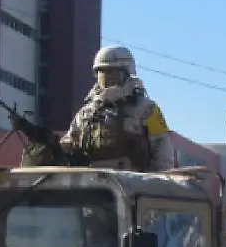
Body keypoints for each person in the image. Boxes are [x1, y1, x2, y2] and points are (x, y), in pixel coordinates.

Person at [59, 44, 177, 172]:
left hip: (132, 181)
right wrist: (53, 146)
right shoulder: (85, 113)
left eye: (113, 72)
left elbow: (163, 152)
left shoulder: (147, 109)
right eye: (102, 73)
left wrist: (156, 179)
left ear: (127, 74)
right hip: (90, 180)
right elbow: (68, 146)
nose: (107, 78)